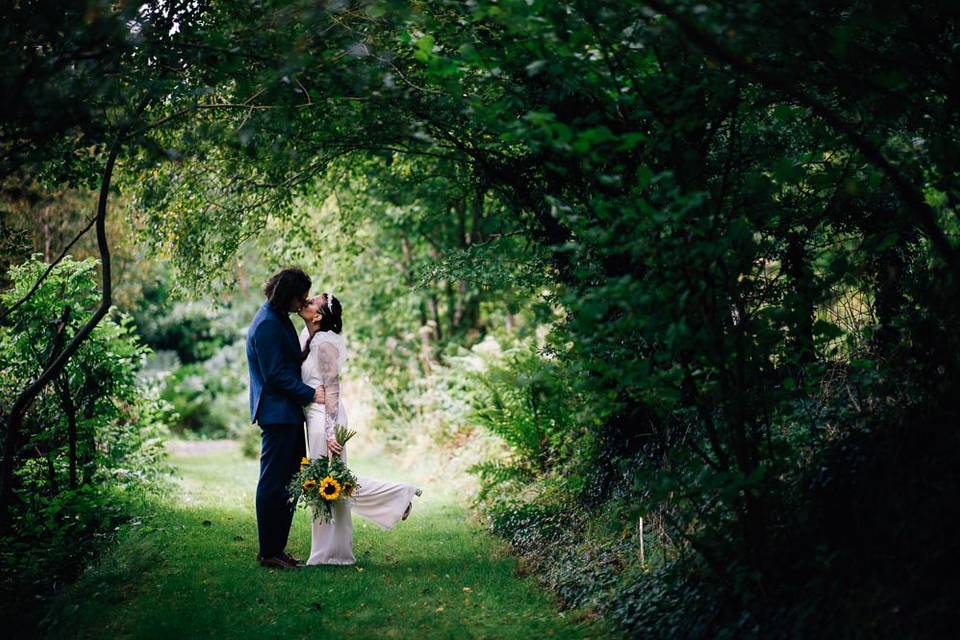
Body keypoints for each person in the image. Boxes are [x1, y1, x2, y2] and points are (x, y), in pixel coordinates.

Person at [298, 292, 422, 565]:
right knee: (329, 484)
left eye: (311, 302)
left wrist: (331, 431)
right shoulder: (308, 337)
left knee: (329, 483)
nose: (304, 303)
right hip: (314, 417)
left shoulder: (326, 342)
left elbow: (332, 387)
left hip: (325, 420)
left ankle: (397, 497)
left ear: (318, 316)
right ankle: (334, 553)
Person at [246, 267, 325, 570]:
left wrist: (311, 340)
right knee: (273, 483)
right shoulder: (267, 324)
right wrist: (310, 394)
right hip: (277, 414)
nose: (303, 302)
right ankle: (269, 551)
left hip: (288, 414)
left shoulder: (278, 318)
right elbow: (276, 375)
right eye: (300, 296)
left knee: (291, 482)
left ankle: (277, 549)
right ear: (286, 293)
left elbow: (289, 360)